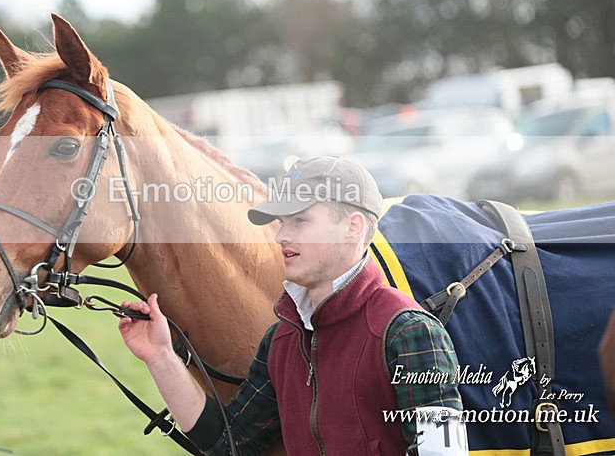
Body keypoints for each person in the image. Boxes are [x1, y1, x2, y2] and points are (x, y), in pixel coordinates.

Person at [119, 156, 464, 455]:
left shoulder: (410, 333)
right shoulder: (281, 341)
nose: (281, 235)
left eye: (300, 220)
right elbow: (230, 444)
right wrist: (161, 357)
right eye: (282, 222)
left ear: (353, 227)